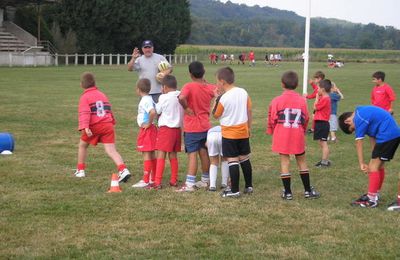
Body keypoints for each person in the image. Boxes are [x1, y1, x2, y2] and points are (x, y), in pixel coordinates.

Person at [267, 71, 320, 200]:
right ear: (296, 85)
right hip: (297, 135)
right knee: (302, 161)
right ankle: (307, 191)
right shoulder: (302, 101)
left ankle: (288, 192)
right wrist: (302, 129)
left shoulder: (276, 100)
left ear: (282, 84)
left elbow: (272, 118)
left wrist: (273, 130)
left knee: (285, 162)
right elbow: (306, 118)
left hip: (282, 136)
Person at [338, 106, 400, 209]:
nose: (355, 129)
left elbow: (358, 142)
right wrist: (374, 155)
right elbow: (372, 136)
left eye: (353, 128)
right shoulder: (363, 113)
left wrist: (361, 163)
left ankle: (371, 200)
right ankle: (375, 194)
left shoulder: (359, 117)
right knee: (378, 166)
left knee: (373, 167)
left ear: (347, 121)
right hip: (391, 135)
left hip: (387, 136)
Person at [74, 72, 131, 183]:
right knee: (111, 150)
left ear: (81, 85)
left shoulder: (84, 97)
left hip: (94, 126)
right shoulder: (102, 94)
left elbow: (85, 113)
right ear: (95, 83)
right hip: (107, 124)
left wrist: (85, 127)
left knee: (82, 145)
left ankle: (80, 170)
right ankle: (123, 169)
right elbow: (108, 108)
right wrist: (112, 121)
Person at [213, 67, 253, 198]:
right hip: (243, 131)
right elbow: (249, 110)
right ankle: (248, 186)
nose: (217, 84)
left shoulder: (224, 98)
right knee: (244, 158)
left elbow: (216, 115)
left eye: (217, 81)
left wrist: (216, 99)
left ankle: (234, 190)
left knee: (232, 160)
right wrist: (249, 128)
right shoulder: (243, 92)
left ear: (223, 82)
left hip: (229, 133)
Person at [176, 61, 216, 192]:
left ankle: (189, 184)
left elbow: (181, 97)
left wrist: (186, 107)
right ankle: (205, 180)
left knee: (192, 154)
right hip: (205, 125)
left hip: (192, 127)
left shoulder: (189, 86)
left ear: (190, 74)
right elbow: (218, 93)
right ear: (203, 72)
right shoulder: (209, 87)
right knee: (204, 153)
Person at [151, 75, 184, 190]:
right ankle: (173, 180)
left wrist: (161, 95)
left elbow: (157, 110)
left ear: (164, 87)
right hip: (177, 130)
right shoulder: (180, 95)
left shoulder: (163, 97)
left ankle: (157, 181)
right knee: (173, 155)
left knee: (161, 154)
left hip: (166, 129)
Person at [131, 78, 158, 188]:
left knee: (146, 153)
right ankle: (153, 177)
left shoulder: (145, 100)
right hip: (151, 129)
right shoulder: (149, 98)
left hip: (147, 130)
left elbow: (152, 112)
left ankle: (146, 180)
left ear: (138, 90)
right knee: (151, 153)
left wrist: (148, 123)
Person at [313, 79, 332, 167]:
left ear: (323, 89)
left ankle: (325, 162)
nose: (317, 90)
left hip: (322, 123)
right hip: (320, 123)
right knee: (321, 142)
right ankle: (325, 159)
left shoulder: (325, 99)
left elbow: (315, 107)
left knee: (323, 143)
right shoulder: (324, 98)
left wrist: (316, 98)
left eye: (318, 88)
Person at [207, 125, 229, 192]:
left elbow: (206, 144)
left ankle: (212, 185)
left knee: (213, 162)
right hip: (223, 134)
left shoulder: (210, 129)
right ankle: (224, 183)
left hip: (211, 136)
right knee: (225, 159)